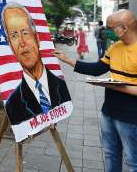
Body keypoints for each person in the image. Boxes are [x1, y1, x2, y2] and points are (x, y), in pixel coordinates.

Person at [53, 9, 137, 172]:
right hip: (109, 112)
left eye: (111, 28)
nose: (107, 32)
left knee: (133, 160)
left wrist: (116, 86)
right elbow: (97, 69)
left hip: (131, 118)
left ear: (123, 28)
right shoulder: (115, 48)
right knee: (111, 154)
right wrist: (67, 59)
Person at [1, 3, 71, 126]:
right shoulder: (12, 105)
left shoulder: (61, 88)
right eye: (14, 36)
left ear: (37, 38)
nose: (22, 43)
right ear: (11, 46)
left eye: (25, 32)